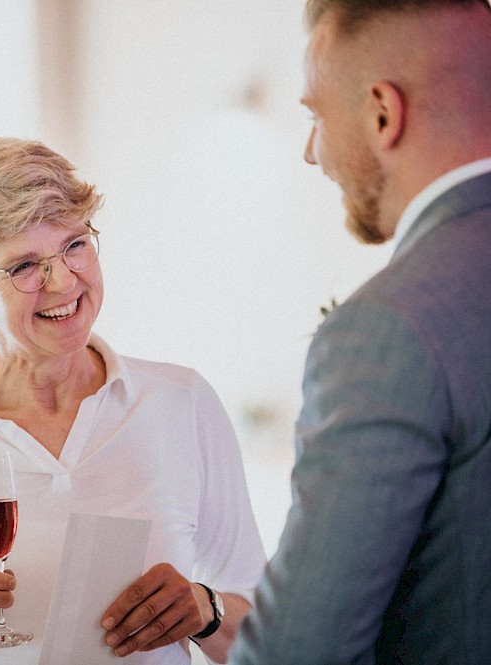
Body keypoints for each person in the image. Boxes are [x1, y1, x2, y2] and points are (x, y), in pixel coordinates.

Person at [0, 136, 267, 665]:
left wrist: (206, 609)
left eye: (75, 244)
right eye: (25, 265)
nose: (63, 282)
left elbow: (267, 630)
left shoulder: (182, 404)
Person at [229, 1, 491, 663]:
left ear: (382, 112)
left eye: (317, 115)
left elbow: (297, 649)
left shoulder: (388, 327)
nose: (312, 152)